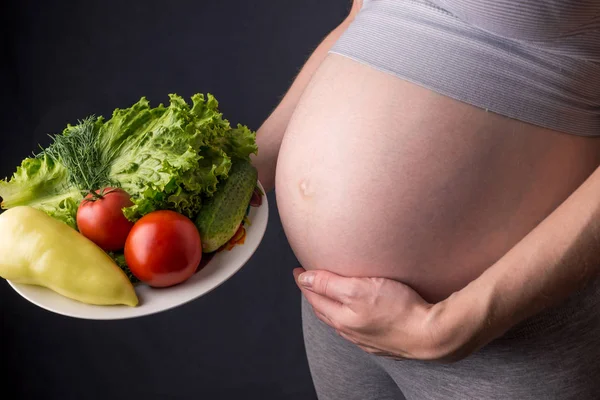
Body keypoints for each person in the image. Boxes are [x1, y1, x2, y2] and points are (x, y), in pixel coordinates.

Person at [251, 0, 600, 399]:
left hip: (502, 330)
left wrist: (455, 324)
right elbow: (362, 19)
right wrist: (241, 172)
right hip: (338, 315)